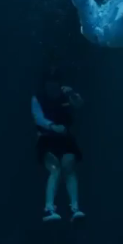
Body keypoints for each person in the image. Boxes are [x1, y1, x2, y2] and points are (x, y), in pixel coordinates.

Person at [31, 67, 86, 222]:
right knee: (55, 168)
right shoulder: (37, 98)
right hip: (46, 139)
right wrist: (52, 127)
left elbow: (79, 104)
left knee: (68, 167)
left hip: (65, 139)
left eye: (55, 81)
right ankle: (49, 208)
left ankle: (75, 207)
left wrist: (73, 94)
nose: (52, 85)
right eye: (49, 82)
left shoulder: (66, 95)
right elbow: (38, 118)